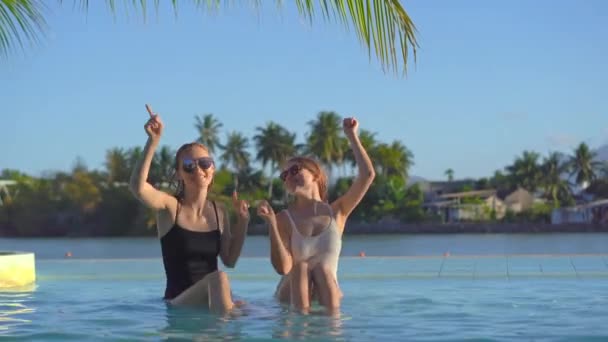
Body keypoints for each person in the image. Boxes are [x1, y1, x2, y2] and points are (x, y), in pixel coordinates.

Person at [129, 104, 250, 314]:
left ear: (212, 168)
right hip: (178, 302)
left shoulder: (219, 211)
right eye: (188, 164)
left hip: (211, 298)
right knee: (219, 279)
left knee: (254, 311)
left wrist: (243, 222)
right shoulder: (170, 207)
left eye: (205, 163)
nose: (198, 169)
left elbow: (229, 260)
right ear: (178, 174)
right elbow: (138, 188)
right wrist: (153, 141)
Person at [256, 117, 375, 313]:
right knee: (301, 267)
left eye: (294, 170)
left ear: (315, 174)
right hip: (290, 294)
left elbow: (367, 176)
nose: (289, 176)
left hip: (327, 291)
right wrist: (271, 225)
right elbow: (283, 268)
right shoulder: (283, 218)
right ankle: (301, 328)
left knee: (322, 270)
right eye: (284, 175)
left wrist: (352, 136)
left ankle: (333, 329)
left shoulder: (337, 212)